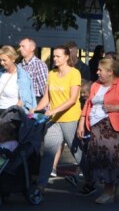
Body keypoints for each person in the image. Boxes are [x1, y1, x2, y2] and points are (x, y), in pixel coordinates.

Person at [75, 58, 119, 204]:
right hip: (95, 128)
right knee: (96, 159)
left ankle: (108, 192)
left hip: (112, 128)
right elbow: (87, 105)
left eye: (100, 70)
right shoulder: (96, 85)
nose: (97, 73)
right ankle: (116, 181)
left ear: (110, 72)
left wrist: (114, 108)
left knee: (109, 159)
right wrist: (82, 122)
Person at [31, 45, 88, 194]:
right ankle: (41, 186)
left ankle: (91, 180)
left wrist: (54, 110)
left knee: (77, 153)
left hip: (70, 119)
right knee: (49, 152)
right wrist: (36, 109)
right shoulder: (51, 74)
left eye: (58, 56)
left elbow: (72, 99)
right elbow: (46, 97)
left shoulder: (74, 73)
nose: (55, 59)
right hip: (54, 121)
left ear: (67, 57)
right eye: (54, 56)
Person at [0, 45, 36, 113]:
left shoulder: (22, 75)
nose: (2, 63)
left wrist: (13, 113)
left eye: (4, 60)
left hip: (12, 113)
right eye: (0, 60)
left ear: (13, 59)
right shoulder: (1, 73)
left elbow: (24, 98)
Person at [18, 38, 49, 103]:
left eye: (23, 46)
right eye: (20, 46)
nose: (20, 49)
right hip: (21, 101)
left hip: (35, 102)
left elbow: (44, 89)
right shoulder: (19, 66)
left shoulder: (39, 65)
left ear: (32, 48)